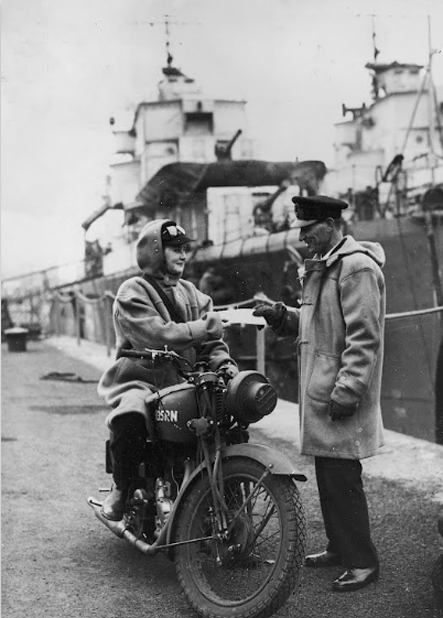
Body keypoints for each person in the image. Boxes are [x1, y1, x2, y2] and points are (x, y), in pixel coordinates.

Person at [253, 195, 386, 593]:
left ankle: (362, 561)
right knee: (330, 474)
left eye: (308, 229)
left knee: (343, 476)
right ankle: (338, 546)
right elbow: (315, 325)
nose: (302, 236)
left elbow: (365, 338)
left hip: (339, 391)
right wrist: (282, 316)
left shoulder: (355, 268)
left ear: (329, 225)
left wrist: (349, 389)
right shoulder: (327, 267)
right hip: (323, 390)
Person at [98, 219, 238, 521]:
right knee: (130, 416)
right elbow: (158, 334)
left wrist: (225, 365)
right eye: (175, 249)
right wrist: (204, 327)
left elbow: (211, 344)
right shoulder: (131, 292)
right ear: (156, 252)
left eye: (184, 249)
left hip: (186, 379)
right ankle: (121, 487)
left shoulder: (193, 293)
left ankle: (232, 501)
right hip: (141, 379)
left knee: (231, 416)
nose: (183, 255)